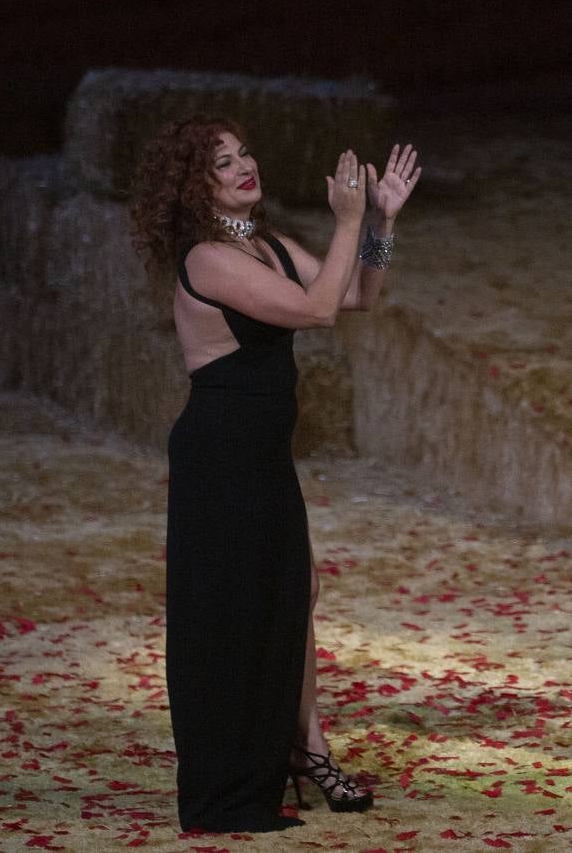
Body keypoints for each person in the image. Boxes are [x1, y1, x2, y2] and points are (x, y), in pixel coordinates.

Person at [130, 116, 419, 832]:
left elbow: (356, 297)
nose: (242, 167)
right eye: (221, 163)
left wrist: (379, 221)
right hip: (220, 456)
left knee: (294, 593)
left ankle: (301, 748)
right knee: (233, 613)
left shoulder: (265, 247)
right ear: (195, 188)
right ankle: (241, 776)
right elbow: (317, 312)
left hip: (261, 455)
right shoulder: (208, 260)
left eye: (243, 153)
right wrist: (347, 217)